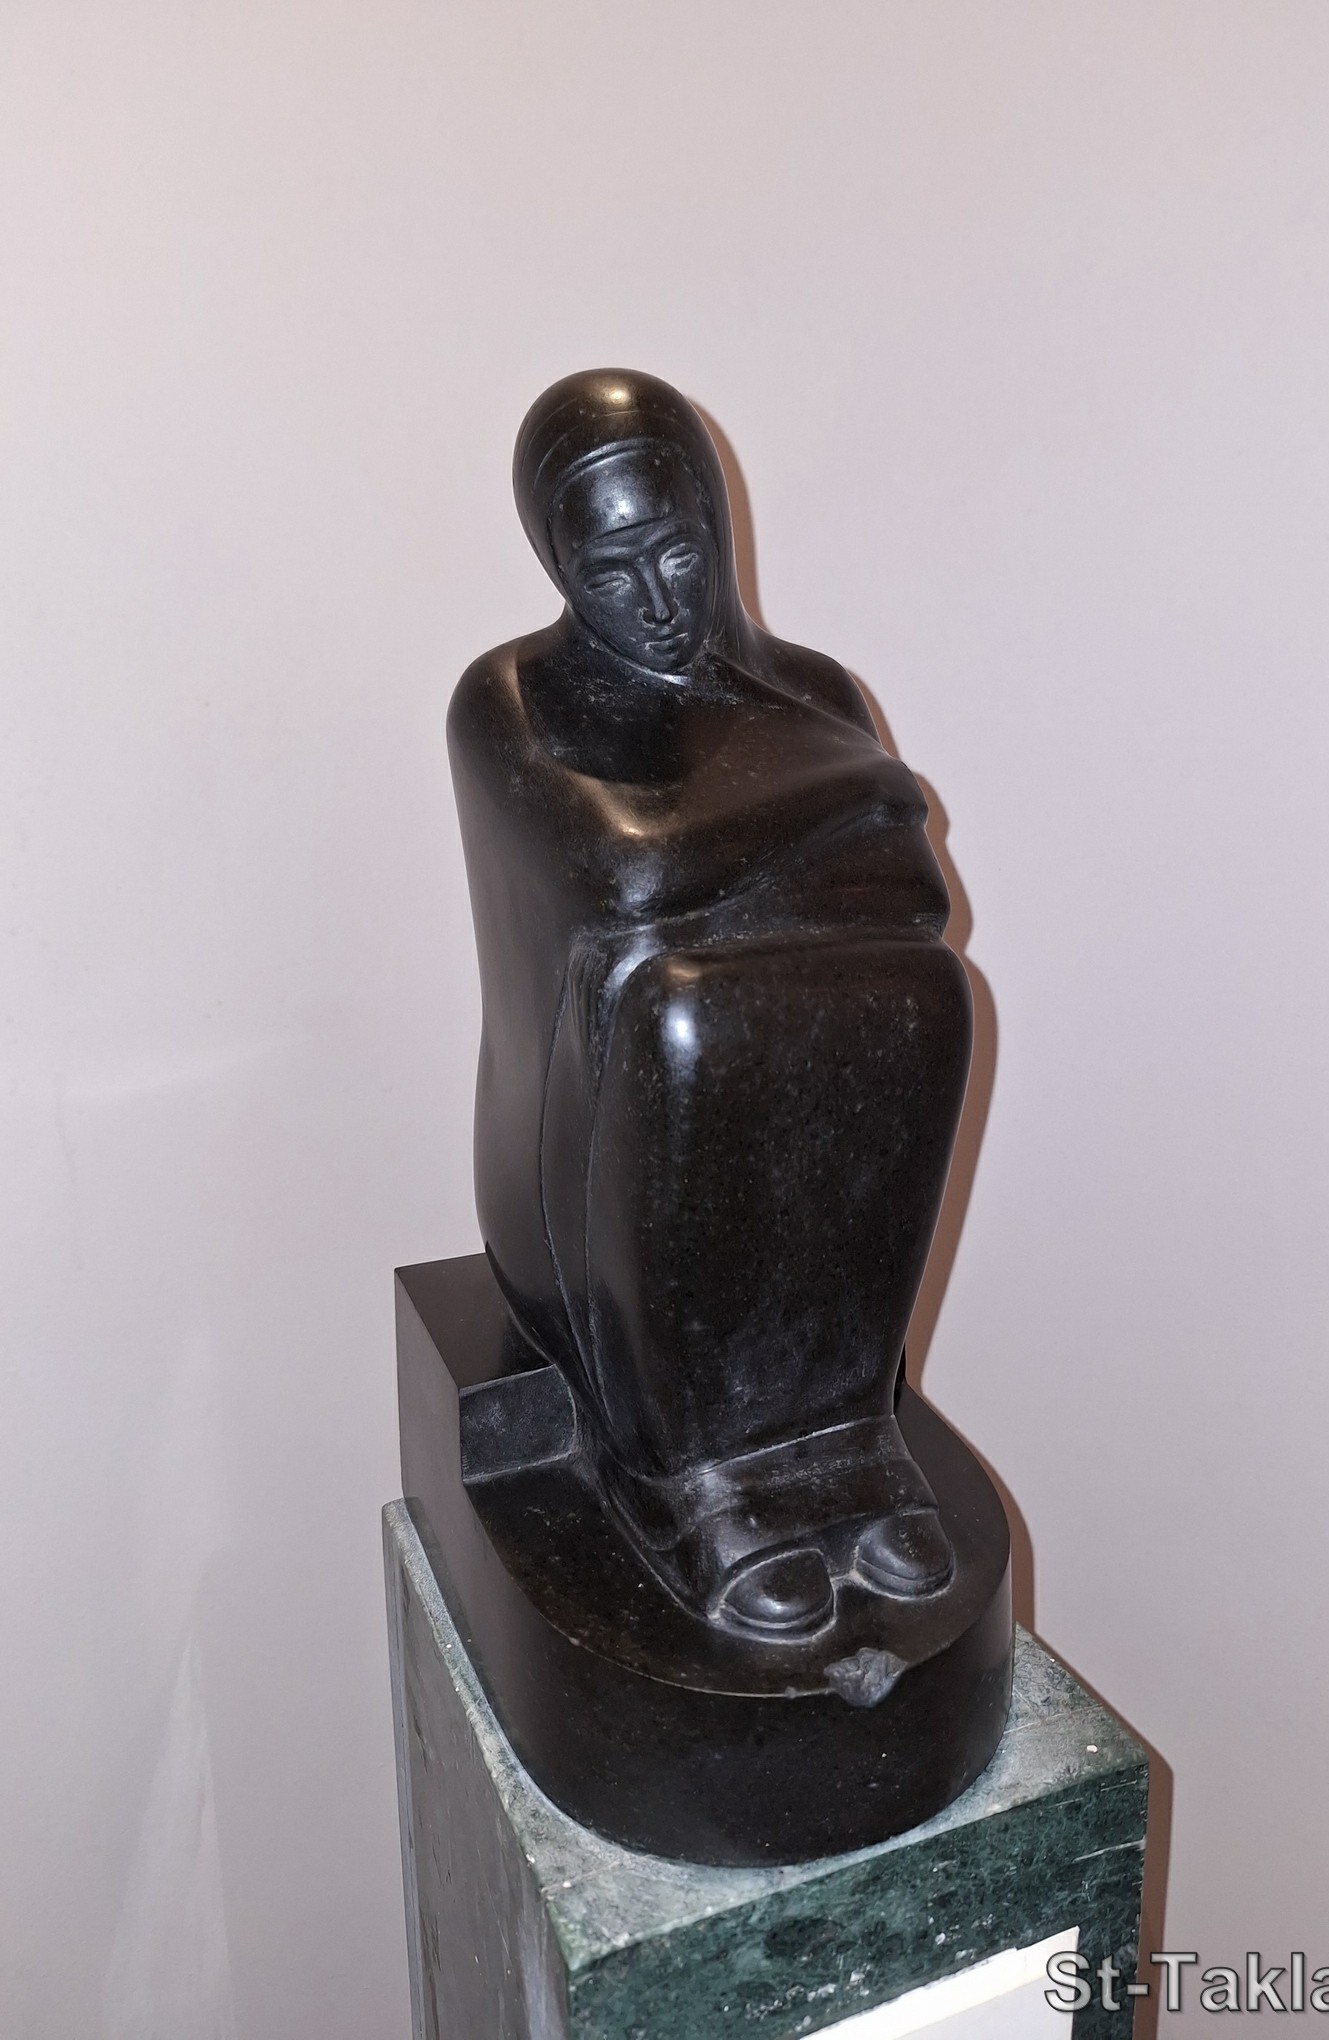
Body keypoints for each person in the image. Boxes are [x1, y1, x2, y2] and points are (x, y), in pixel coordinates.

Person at [448, 369, 972, 1638]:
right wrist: (857, 798)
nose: (655, 598)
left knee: (921, 996)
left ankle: (843, 1437)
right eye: (608, 568)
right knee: (687, 1010)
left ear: (714, 528)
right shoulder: (510, 701)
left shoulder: (815, 692)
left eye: (676, 552)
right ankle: (687, 1474)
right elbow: (619, 870)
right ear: (556, 560)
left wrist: (719, 850)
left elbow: (914, 893)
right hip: (586, 1177)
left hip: (781, 1165)